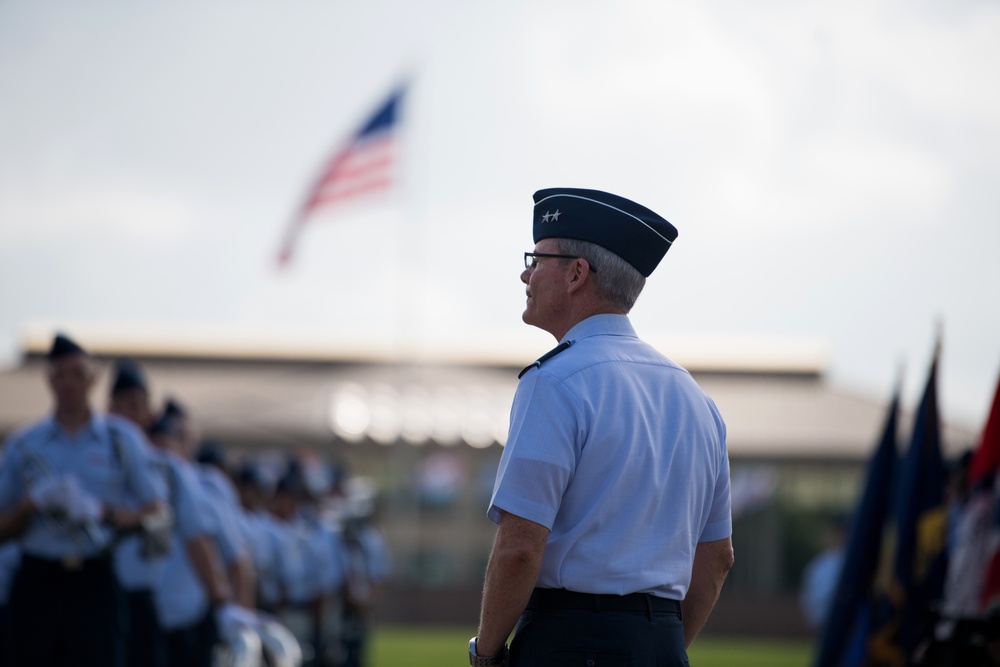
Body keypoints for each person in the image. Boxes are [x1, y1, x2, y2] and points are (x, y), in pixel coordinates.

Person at [473, 189, 734, 667]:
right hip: (662, 643)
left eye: (537, 258)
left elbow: (519, 548)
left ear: (577, 274)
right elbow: (717, 559)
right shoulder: (697, 400)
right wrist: (661, 645)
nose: (525, 273)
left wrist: (486, 653)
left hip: (569, 641)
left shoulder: (553, 382)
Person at [0, 333, 165, 667]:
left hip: (95, 574)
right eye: (60, 374)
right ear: (49, 381)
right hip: (38, 577)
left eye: (77, 373)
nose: (68, 383)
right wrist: (30, 506)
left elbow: (157, 512)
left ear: (93, 378)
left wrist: (103, 512)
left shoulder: (121, 440)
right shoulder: (25, 444)